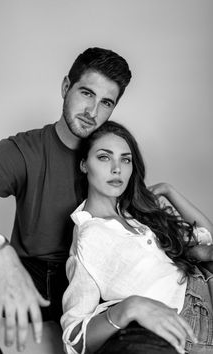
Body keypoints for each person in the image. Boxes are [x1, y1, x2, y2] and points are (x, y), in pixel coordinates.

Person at [0, 48, 132, 353]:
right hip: (28, 275)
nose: (93, 111)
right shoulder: (22, 151)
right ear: (65, 87)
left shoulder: (116, 157)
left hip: (94, 280)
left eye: (106, 103)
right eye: (86, 93)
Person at [61, 120, 213, 354]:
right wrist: (130, 307)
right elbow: (74, 338)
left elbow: (208, 238)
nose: (117, 169)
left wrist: (167, 189)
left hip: (204, 286)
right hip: (187, 326)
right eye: (104, 157)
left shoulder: (137, 215)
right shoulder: (87, 238)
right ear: (84, 164)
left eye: (125, 159)